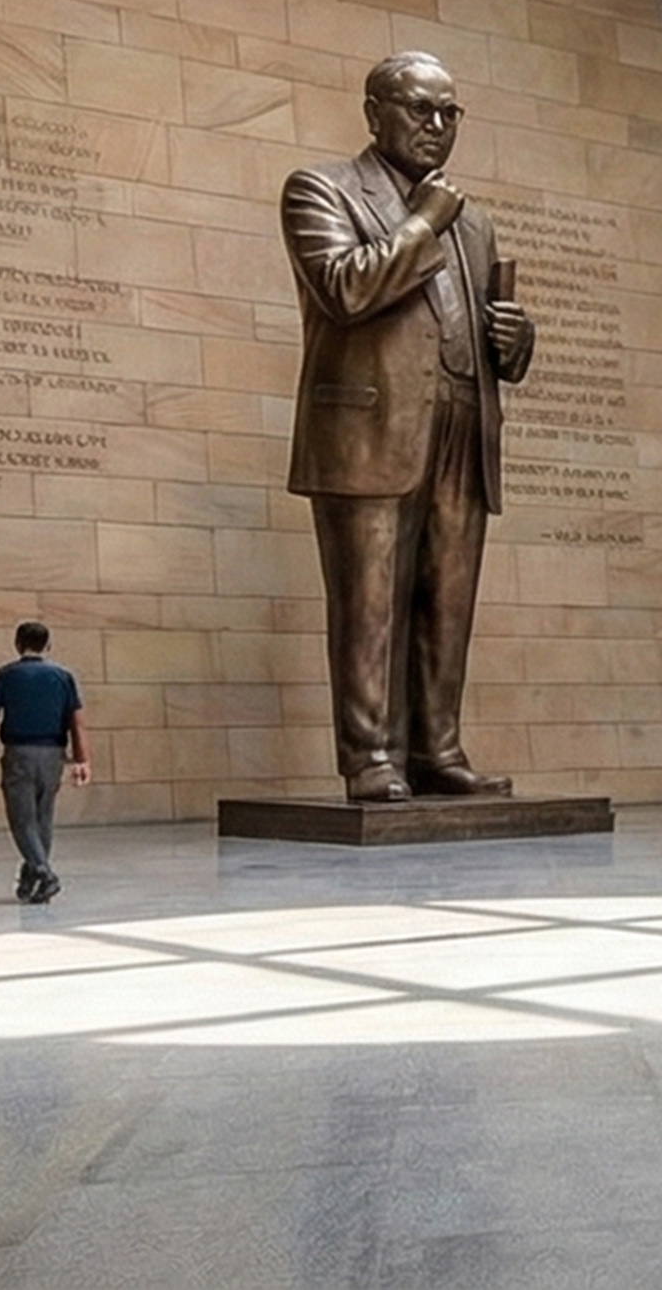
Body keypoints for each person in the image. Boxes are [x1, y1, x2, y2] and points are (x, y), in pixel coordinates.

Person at [281, 51, 535, 802]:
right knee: (370, 604)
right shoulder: (320, 190)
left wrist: (516, 346)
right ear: (374, 113)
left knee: (447, 601)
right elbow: (346, 289)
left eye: (449, 112)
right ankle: (370, 761)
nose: (436, 125)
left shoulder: (474, 223)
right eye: (420, 108)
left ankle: (438, 751)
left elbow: (486, 331)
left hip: (462, 426)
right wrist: (424, 222)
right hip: (371, 431)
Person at [0, 620, 89, 902]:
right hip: (53, 755)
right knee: (43, 817)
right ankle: (31, 878)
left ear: (17, 644)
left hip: (19, 753)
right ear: (48, 646)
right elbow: (76, 721)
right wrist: (82, 759)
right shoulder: (63, 676)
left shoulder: (6, 674)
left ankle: (43, 873)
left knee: (22, 819)